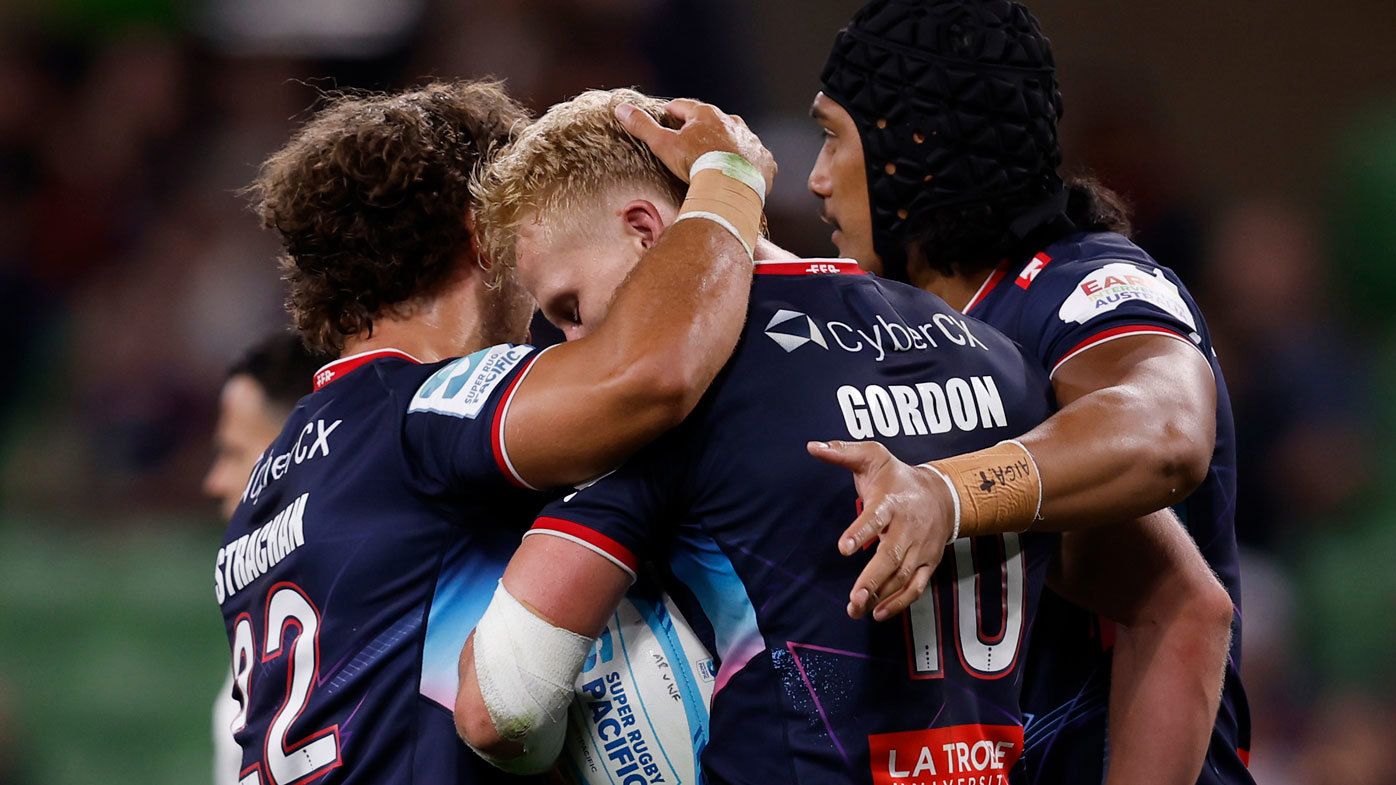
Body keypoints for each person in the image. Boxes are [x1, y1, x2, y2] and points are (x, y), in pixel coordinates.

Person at [454, 88, 1231, 785]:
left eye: (570, 308)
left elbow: (504, 704)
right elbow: (1193, 609)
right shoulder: (994, 354)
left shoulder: (669, 410)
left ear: (648, 231)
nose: (571, 349)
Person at [219, 79, 775, 783]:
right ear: (483, 234)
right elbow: (648, 377)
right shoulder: (423, 407)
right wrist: (729, 182)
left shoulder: (270, 487)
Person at [805, 2, 1251, 783]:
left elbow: (1168, 429)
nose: (814, 178)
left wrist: (951, 492)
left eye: (832, 136)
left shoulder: (1085, 286)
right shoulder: (887, 329)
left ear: (913, 146)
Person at [203, 332, 328, 785]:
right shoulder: (266, 624)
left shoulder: (370, 622)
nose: (214, 482)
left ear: (293, 452)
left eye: (234, 453)